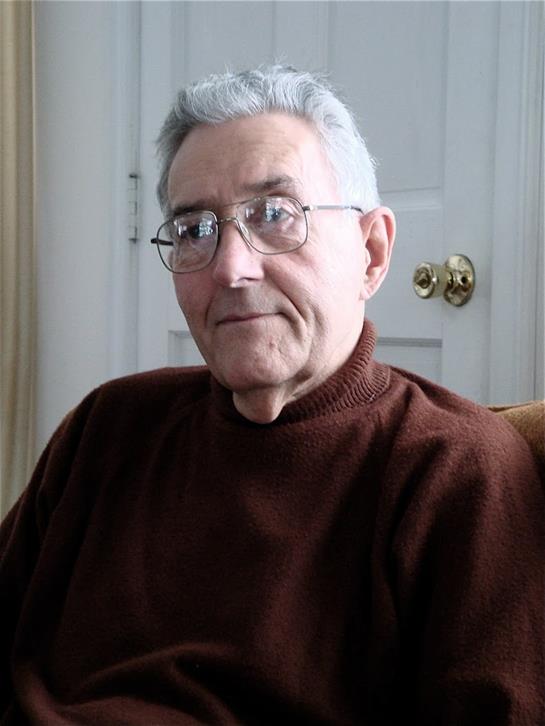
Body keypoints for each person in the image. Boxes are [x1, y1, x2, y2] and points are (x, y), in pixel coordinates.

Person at [1, 65, 543, 725]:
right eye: (194, 229)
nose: (231, 268)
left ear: (371, 253)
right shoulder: (108, 425)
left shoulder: (455, 471)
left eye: (275, 215)